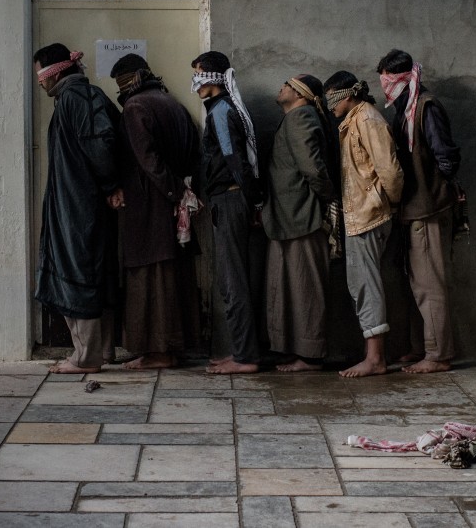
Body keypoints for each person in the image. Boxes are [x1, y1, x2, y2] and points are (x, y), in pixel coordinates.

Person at [33, 43, 123, 374]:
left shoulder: (76, 99)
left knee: (79, 272)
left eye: (41, 75)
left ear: (55, 73)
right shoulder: (82, 98)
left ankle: (86, 357)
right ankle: (102, 352)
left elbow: (100, 144)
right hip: (79, 203)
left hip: (79, 207)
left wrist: (111, 185)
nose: (40, 82)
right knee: (95, 271)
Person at [109, 53, 202, 370]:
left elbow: (148, 160)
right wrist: (183, 192)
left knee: (151, 279)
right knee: (173, 276)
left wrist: (173, 191)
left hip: (151, 206)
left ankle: (158, 352)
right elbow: (192, 152)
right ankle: (172, 348)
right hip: (175, 203)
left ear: (126, 81)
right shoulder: (171, 102)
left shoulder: (135, 107)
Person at [378, 49, 461, 374]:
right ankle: (420, 348)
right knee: (417, 285)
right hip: (412, 211)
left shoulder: (426, 107)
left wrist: (433, 193)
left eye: (387, 79)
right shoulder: (408, 109)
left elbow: (446, 157)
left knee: (431, 285)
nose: (385, 87)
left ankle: (438, 354)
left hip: (426, 212)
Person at [323, 71, 403, 378]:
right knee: (360, 283)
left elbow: (390, 171)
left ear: (348, 95)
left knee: (367, 284)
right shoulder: (354, 120)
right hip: (360, 214)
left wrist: (387, 203)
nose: (329, 105)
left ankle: (375, 359)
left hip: (370, 215)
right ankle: (374, 354)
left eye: (333, 98)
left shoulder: (368, 120)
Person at [192, 51, 263, 375]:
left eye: (199, 74)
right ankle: (240, 350)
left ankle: (245, 357)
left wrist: (252, 202)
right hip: (230, 201)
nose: (195, 82)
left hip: (231, 201)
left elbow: (235, 161)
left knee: (233, 282)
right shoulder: (220, 109)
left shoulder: (221, 112)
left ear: (215, 78)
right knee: (230, 280)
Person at [263, 74, 336, 372]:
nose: (282, 87)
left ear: (302, 94)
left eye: (288, 84)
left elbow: (313, 168)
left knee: (306, 287)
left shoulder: (301, 117)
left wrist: (327, 198)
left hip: (302, 217)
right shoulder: (295, 118)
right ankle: (297, 351)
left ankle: (310, 356)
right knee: (292, 286)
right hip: (289, 218)